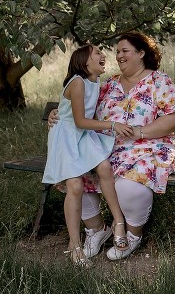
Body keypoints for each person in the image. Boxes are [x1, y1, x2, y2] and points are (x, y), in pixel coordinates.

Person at [48, 31, 175, 261]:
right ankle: (97, 230)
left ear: (141, 53)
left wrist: (140, 132)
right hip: (105, 148)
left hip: (149, 147)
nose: (119, 56)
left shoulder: (158, 81)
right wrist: (58, 112)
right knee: (75, 176)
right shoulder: (109, 84)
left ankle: (133, 233)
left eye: (125, 51)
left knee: (128, 185)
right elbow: (82, 110)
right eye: (117, 52)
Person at [42, 44, 135, 267]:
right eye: (97, 54)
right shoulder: (77, 82)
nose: (104, 56)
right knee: (74, 186)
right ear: (85, 61)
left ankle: (118, 222)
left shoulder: (95, 81)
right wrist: (113, 125)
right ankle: (75, 246)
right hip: (67, 135)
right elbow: (79, 120)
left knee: (104, 168)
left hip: (82, 134)